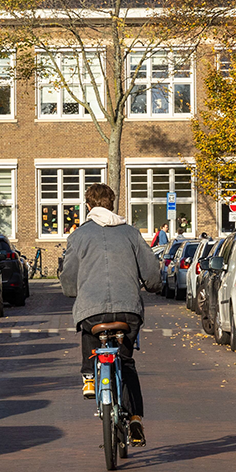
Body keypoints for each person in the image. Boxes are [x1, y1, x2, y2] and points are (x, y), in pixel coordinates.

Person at [59, 183, 162, 444]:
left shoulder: (78, 236)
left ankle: (89, 376)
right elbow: (151, 271)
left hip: (92, 313)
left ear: (88, 206)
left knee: (88, 330)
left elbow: (68, 278)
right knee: (125, 362)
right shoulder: (131, 233)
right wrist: (154, 285)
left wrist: (73, 290)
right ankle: (135, 419)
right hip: (128, 312)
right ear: (113, 205)